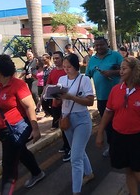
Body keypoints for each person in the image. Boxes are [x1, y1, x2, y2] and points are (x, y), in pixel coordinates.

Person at [96, 57, 140, 195]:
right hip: (119, 137)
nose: (120, 71)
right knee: (129, 169)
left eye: (124, 68)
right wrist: (100, 132)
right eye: (120, 68)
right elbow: (108, 113)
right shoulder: (116, 90)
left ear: (134, 71)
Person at [0, 55, 45, 194]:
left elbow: (30, 106)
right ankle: (37, 173)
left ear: (0, 71)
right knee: (21, 152)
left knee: (9, 165)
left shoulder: (18, 85)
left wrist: (35, 129)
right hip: (3, 131)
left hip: (16, 129)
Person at [57, 54, 95, 195]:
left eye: (69, 67)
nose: (66, 70)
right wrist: (54, 96)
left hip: (82, 120)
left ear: (76, 66)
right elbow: (58, 101)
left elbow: (90, 101)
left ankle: (76, 191)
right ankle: (89, 173)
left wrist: (71, 97)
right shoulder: (62, 79)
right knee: (78, 150)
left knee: (75, 158)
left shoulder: (84, 79)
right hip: (66, 119)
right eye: (64, 67)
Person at [85, 37, 123, 157]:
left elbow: (127, 70)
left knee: (120, 122)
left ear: (107, 44)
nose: (99, 47)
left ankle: (123, 145)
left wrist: (111, 72)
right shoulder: (92, 59)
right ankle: (112, 146)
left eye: (101, 44)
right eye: (96, 45)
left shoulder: (116, 55)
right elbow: (87, 77)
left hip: (118, 97)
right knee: (107, 124)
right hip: (102, 98)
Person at [46, 51, 71, 162]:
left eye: (57, 58)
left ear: (62, 58)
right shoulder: (52, 72)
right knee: (61, 125)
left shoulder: (67, 72)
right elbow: (48, 85)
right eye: (54, 58)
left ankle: (69, 148)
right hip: (55, 103)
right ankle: (66, 144)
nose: (55, 60)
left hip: (66, 103)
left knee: (67, 124)